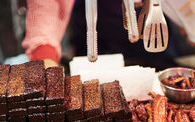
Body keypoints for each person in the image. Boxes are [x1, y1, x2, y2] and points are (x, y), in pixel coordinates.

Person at [22, 0, 195, 70]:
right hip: (96, 41)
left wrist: (188, 19)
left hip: (153, 34)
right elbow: (48, 6)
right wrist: (44, 53)